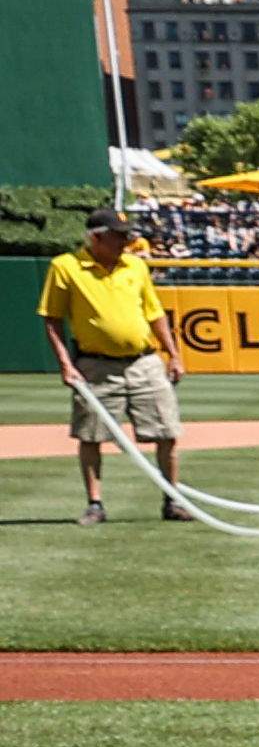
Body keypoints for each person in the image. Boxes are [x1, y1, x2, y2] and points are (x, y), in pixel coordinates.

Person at [41, 214, 181, 524]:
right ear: (96, 237)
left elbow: (155, 313)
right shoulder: (66, 267)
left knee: (166, 431)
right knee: (91, 435)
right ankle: (95, 503)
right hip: (96, 364)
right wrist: (66, 364)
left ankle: (173, 500)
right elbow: (51, 318)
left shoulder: (136, 266)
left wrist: (174, 355)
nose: (126, 242)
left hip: (144, 361)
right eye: (118, 236)